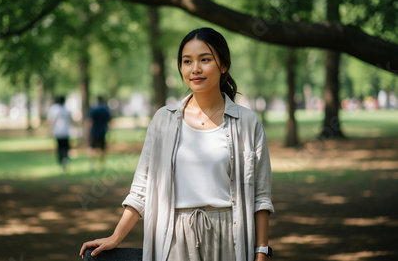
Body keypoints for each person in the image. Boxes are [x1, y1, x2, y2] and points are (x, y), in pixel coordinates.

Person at [79, 27, 274, 261]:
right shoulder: (164, 120)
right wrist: (115, 236)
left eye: (205, 59)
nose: (195, 69)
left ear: (223, 65)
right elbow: (141, 189)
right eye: (187, 61)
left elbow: (260, 197)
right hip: (174, 237)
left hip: (229, 237)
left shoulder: (247, 122)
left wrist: (261, 252)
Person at [47, 95, 73, 171]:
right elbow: (71, 121)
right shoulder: (67, 110)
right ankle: (65, 160)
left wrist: (49, 130)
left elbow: (51, 121)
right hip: (66, 132)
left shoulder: (54, 109)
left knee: (60, 148)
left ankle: (62, 162)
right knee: (65, 148)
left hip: (58, 132)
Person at [87, 96, 111, 172]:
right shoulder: (105, 109)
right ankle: (101, 165)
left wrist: (88, 132)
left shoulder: (93, 109)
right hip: (103, 131)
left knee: (92, 148)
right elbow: (109, 122)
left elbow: (90, 121)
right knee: (102, 149)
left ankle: (92, 165)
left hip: (94, 131)